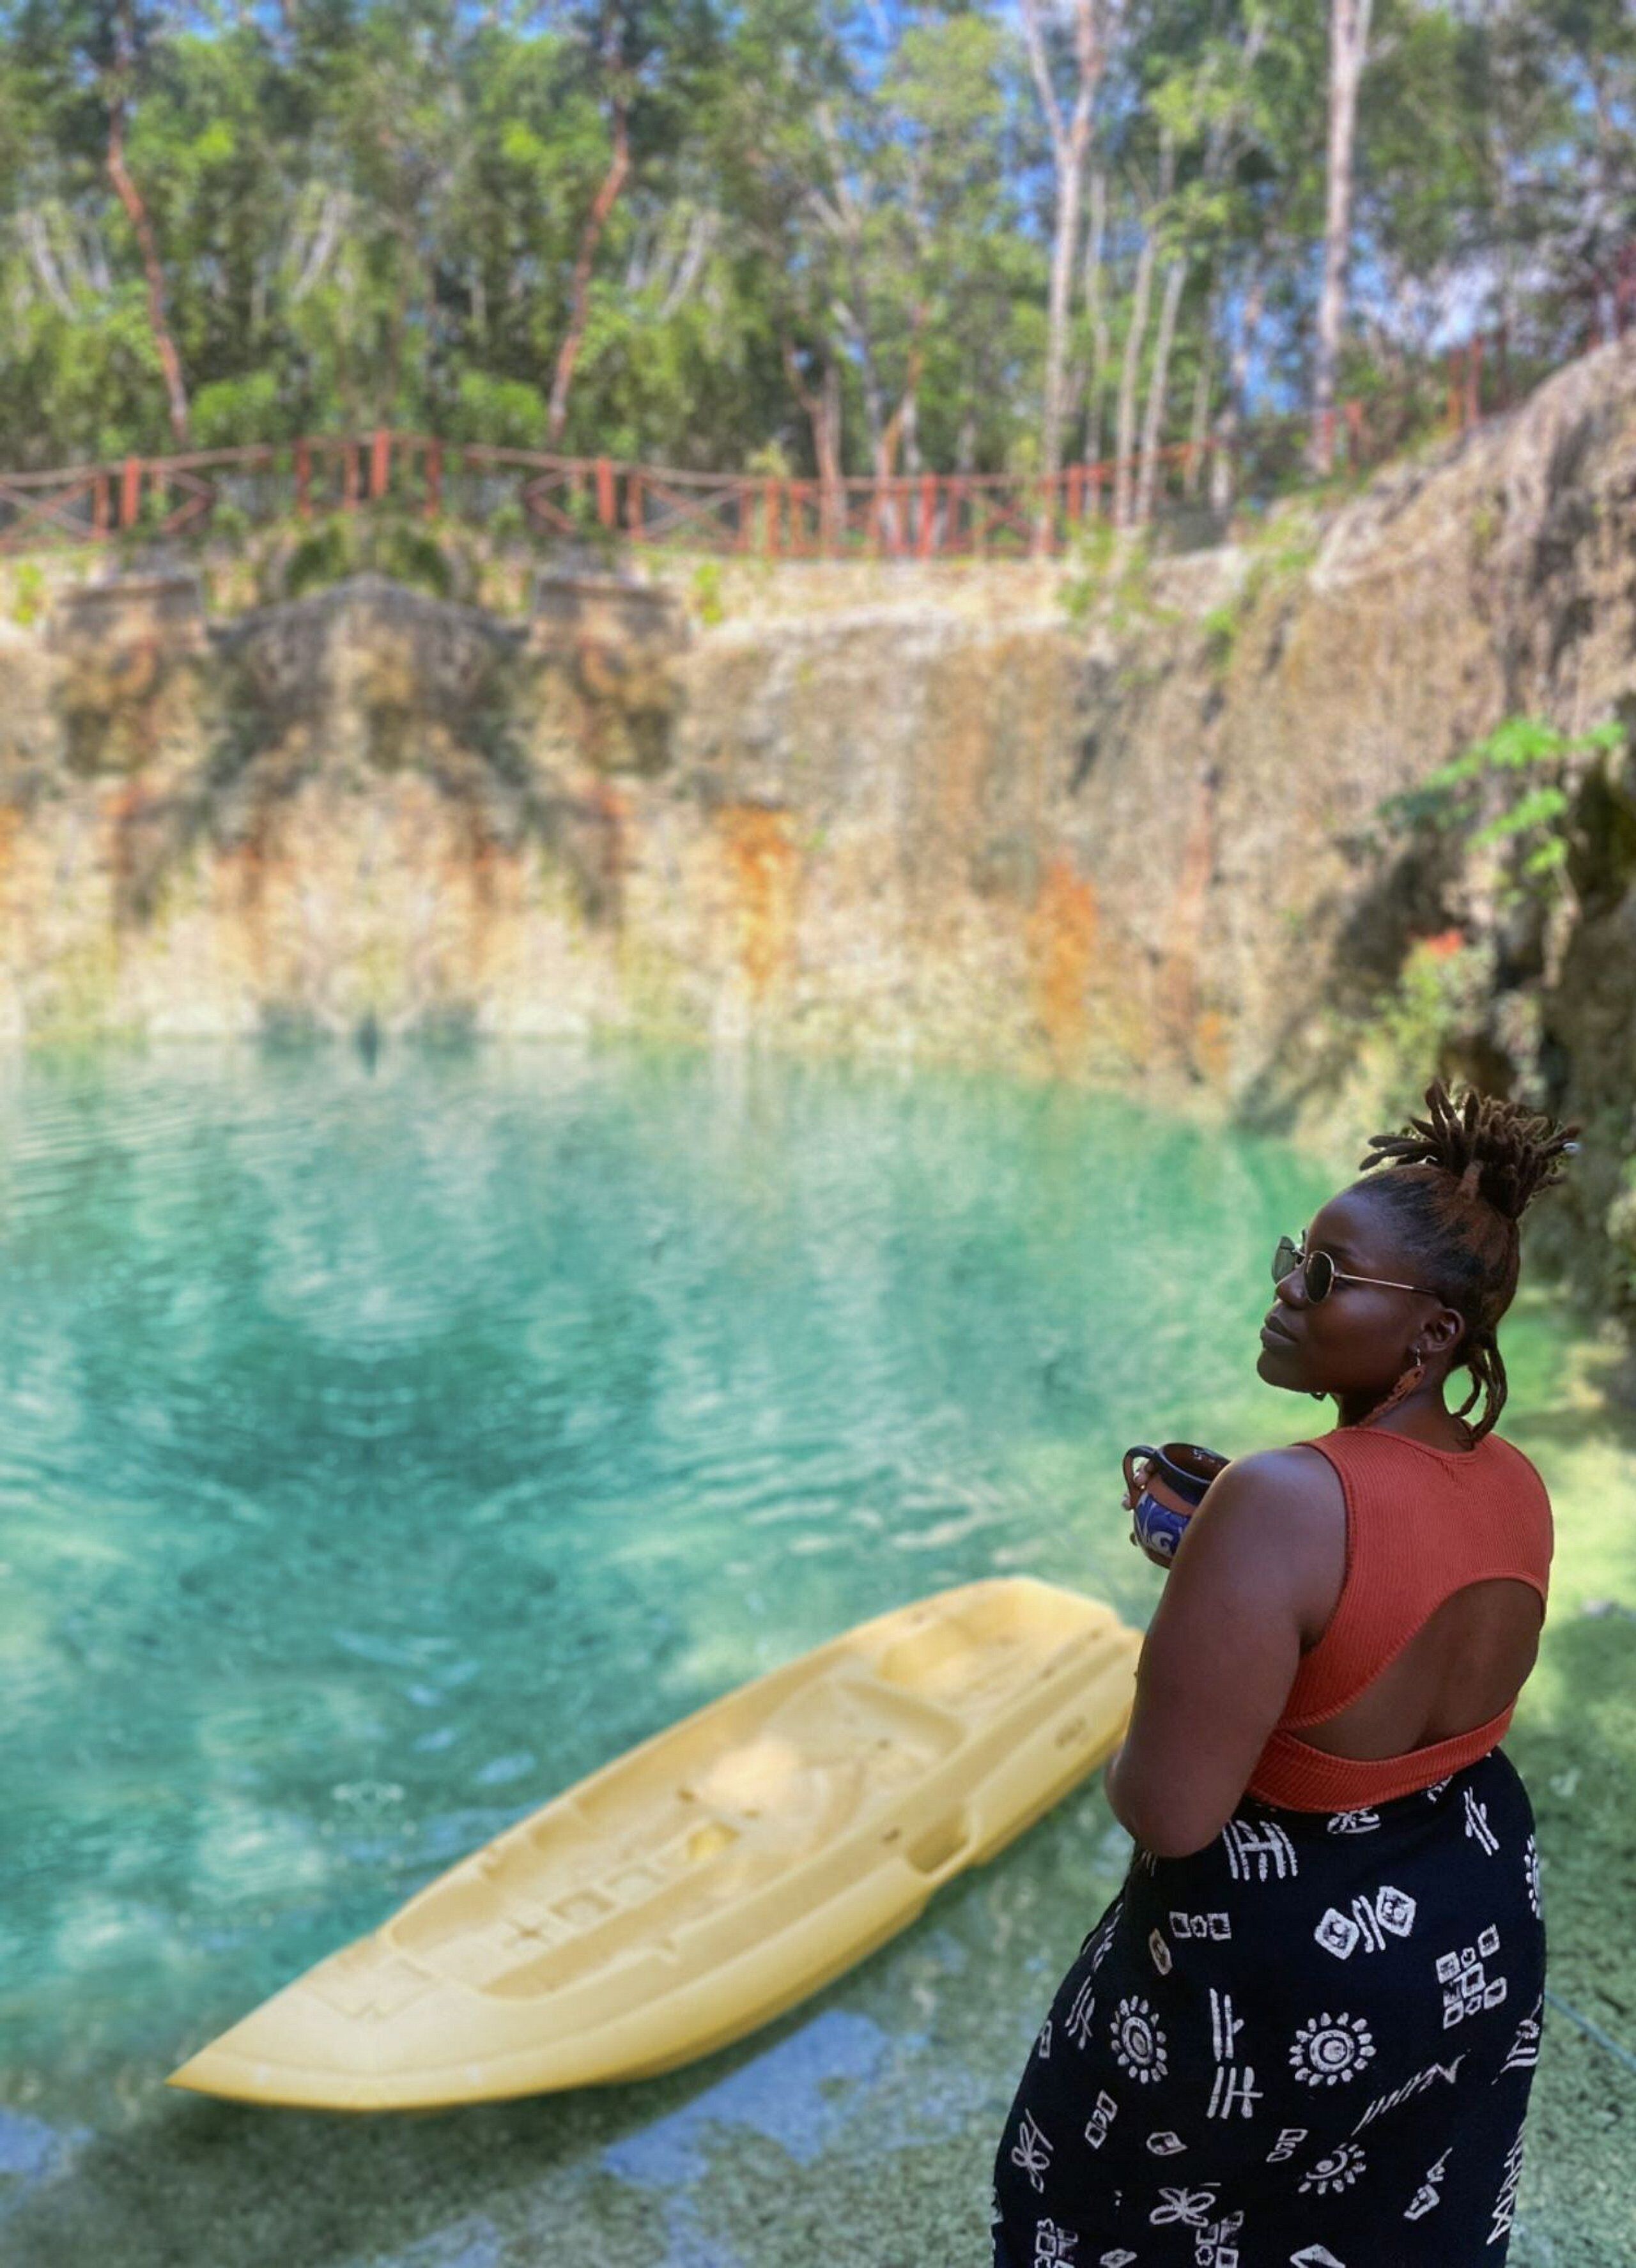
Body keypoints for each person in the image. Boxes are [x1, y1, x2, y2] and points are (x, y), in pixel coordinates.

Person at [990, 1077, 1579, 2267]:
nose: (1284, 1291)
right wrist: (1218, 1581)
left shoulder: (1275, 1501)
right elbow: (1384, 1663)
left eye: (1323, 1272)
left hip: (1283, 1986)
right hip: (1467, 1937)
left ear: (1433, 1334)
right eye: (1294, 1257)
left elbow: (1168, 1805)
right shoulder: (1516, 1481)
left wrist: (1201, 1605)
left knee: (1101, 2219)